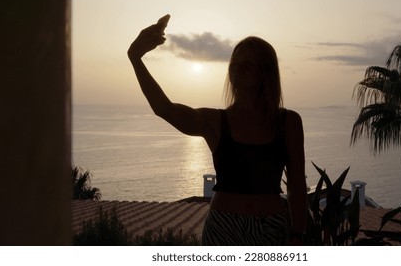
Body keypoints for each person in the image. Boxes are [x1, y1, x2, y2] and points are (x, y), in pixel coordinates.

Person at [128, 14, 307, 245]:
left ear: (266, 72)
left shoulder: (289, 122)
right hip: (224, 228)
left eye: (248, 63)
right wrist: (135, 58)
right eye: (235, 62)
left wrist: (297, 234)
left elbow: (297, 184)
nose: (239, 67)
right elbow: (164, 108)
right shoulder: (215, 121)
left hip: (272, 228)